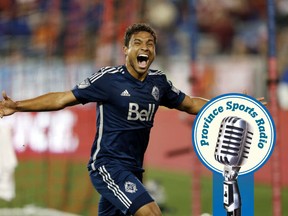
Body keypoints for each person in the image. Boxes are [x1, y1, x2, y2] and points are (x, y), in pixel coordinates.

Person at [0, 23, 265, 216]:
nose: (145, 48)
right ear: (126, 49)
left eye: (150, 44)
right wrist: (18, 106)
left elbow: (190, 103)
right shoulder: (108, 80)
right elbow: (62, 98)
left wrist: (232, 108)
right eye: (138, 43)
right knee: (151, 213)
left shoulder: (159, 83)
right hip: (107, 166)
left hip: (134, 169)